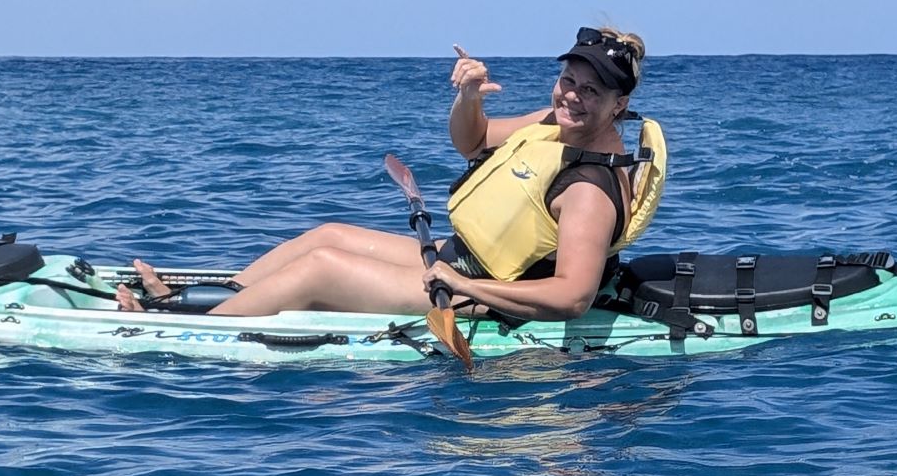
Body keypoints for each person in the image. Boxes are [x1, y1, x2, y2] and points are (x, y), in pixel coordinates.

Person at [115, 27, 666, 322]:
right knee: (327, 236)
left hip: (482, 291)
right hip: (459, 258)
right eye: (568, 80)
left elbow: (572, 297)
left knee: (321, 270)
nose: (572, 96)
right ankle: (199, 301)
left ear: (619, 105)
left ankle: (184, 329)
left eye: (591, 91)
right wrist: (468, 97)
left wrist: (464, 285)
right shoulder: (554, 123)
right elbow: (473, 140)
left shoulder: (589, 189)